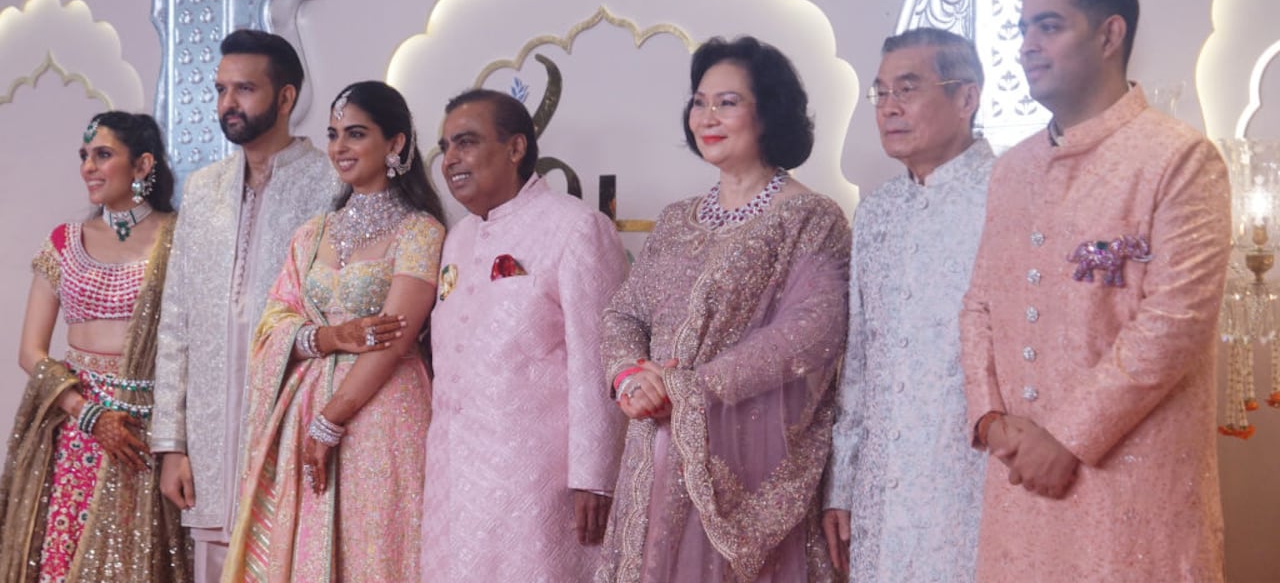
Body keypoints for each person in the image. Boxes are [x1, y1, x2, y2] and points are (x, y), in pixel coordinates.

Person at [961, 0, 1230, 581]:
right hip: (1018, 475)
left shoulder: (1179, 159)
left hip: (1129, 485)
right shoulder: (1014, 168)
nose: (1027, 46)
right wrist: (990, 417)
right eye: (1023, 29)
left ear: (1110, 35)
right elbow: (979, 303)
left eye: (1048, 26)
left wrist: (1067, 438)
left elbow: (1174, 325)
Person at [595, 36, 850, 583]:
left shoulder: (810, 218)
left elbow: (811, 334)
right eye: (699, 101)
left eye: (728, 102)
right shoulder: (676, 219)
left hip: (741, 469)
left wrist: (688, 387)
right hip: (653, 456)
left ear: (769, 112)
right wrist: (628, 377)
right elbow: (624, 314)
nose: (707, 117)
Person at [222, 81, 444, 582]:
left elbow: (395, 338)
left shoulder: (420, 232)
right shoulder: (312, 233)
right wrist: (328, 339)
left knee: (377, 549)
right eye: (333, 134)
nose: (339, 147)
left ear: (396, 144)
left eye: (356, 133)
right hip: (305, 405)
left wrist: (331, 422)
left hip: (385, 411)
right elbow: (274, 322)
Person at [151, 29, 340, 582]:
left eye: (244, 89)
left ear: (285, 98)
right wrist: (171, 444)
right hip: (208, 443)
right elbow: (176, 322)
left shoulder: (330, 183)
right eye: (220, 90)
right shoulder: (204, 189)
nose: (227, 104)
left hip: (292, 428)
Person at [420, 89, 627, 582]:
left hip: (538, 478)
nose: (451, 160)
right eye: (446, 147)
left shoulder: (576, 227)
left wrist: (593, 476)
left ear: (515, 149)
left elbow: (599, 360)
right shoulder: (458, 237)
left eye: (466, 142)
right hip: (453, 473)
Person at [822, 27, 992, 581]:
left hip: (974, 479)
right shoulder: (877, 213)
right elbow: (861, 363)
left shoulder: (1010, 196)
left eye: (908, 89)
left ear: (966, 97)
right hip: (881, 489)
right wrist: (842, 484)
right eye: (881, 93)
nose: (889, 108)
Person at [0, 112, 189, 581]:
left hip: (146, 429)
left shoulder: (180, 238)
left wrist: (177, 441)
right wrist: (87, 414)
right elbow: (31, 351)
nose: (88, 166)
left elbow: (192, 344)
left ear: (143, 165)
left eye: (103, 155)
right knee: (61, 559)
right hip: (73, 427)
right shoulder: (65, 241)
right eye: (85, 156)